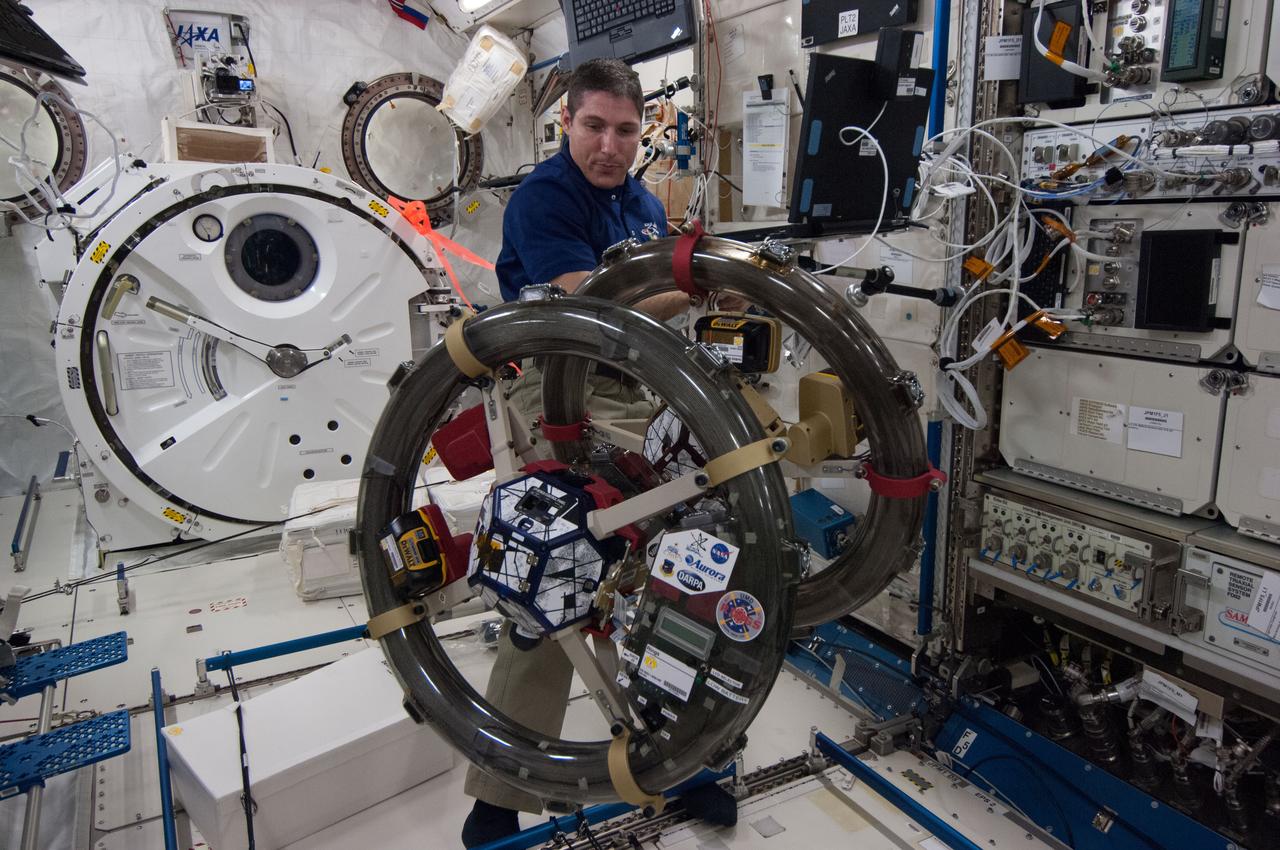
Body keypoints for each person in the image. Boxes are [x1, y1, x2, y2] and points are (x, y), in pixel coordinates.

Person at [460, 58, 682, 847]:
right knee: (554, 572)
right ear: (568, 124)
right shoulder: (545, 198)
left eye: (625, 130)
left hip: (632, 396)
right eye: (595, 126)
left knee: (687, 565)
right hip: (555, 399)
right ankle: (497, 798)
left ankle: (683, 757)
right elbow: (598, 308)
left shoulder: (644, 203)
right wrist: (698, 279)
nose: (610, 144)